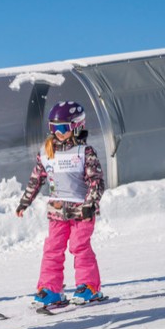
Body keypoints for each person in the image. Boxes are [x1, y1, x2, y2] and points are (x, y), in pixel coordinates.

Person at [15, 101, 107, 308]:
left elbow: (97, 181)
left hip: (82, 209)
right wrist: (24, 202)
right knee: (52, 249)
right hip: (57, 211)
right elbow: (36, 179)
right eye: (53, 128)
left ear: (76, 126)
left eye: (63, 128)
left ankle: (89, 286)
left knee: (79, 246)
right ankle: (50, 290)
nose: (58, 133)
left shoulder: (85, 152)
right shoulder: (46, 152)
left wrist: (90, 204)